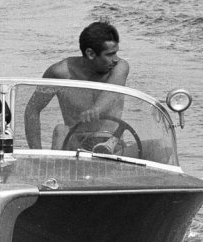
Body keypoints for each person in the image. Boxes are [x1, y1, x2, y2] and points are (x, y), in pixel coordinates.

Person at [24, 21, 129, 150]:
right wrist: (37, 152)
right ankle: (53, 166)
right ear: (90, 53)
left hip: (112, 145)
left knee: (155, 146)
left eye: (116, 52)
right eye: (109, 54)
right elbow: (33, 109)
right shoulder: (59, 73)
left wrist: (96, 109)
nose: (116, 59)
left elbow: (111, 92)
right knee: (61, 130)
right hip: (75, 145)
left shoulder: (120, 67)